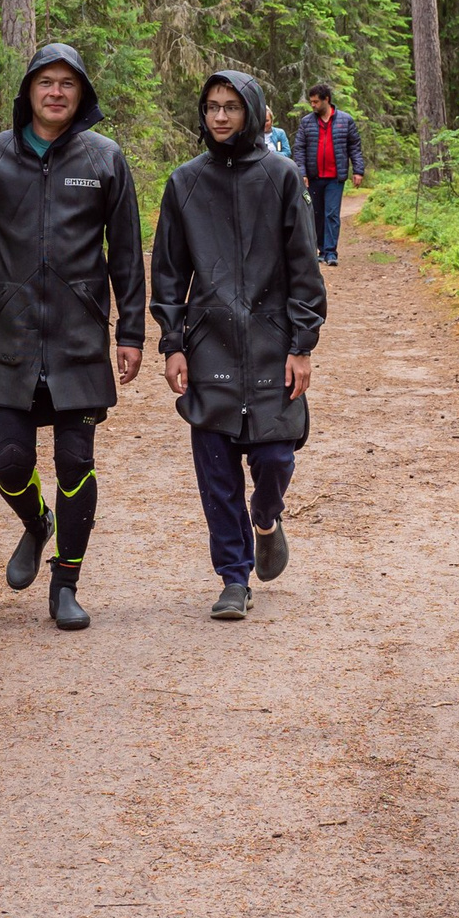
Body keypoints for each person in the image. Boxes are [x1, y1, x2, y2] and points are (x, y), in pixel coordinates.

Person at [0, 44, 146, 631]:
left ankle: (66, 582)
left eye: (67, 84)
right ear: (27, 90)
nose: (55, 92)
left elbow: (127, 256)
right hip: (14, 335)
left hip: (79, 338)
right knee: (8, 461)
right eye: (45, 82)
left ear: (81, 94)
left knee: (75, 463)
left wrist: (129, 330)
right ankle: (37, 524)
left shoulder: (105, 159)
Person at [153, 71, 327, 621]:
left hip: (274, 341)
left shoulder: (280, 176)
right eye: (211, 107)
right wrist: (173, 341)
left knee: (275, 456)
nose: (220, 116)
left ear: (250, 111)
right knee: (216, 466)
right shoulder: (184, 182)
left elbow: (304, 265)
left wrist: (302, 344)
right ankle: (233, 577)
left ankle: (267, 517)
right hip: (211, 346)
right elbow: (169, 270)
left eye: (230, 106)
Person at [292, 83, 366, 266]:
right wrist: (302, 173)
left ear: (327, 100)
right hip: (314, 176)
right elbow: (299, 149)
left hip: (335, 177)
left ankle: (331, 252)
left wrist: (358, 170)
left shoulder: (345, 120)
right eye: (311, 102)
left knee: (331, 214)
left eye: (316, 102)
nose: (313, 105)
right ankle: (321, 249)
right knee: (316, 214)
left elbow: (354, 147)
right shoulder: (307, 122)